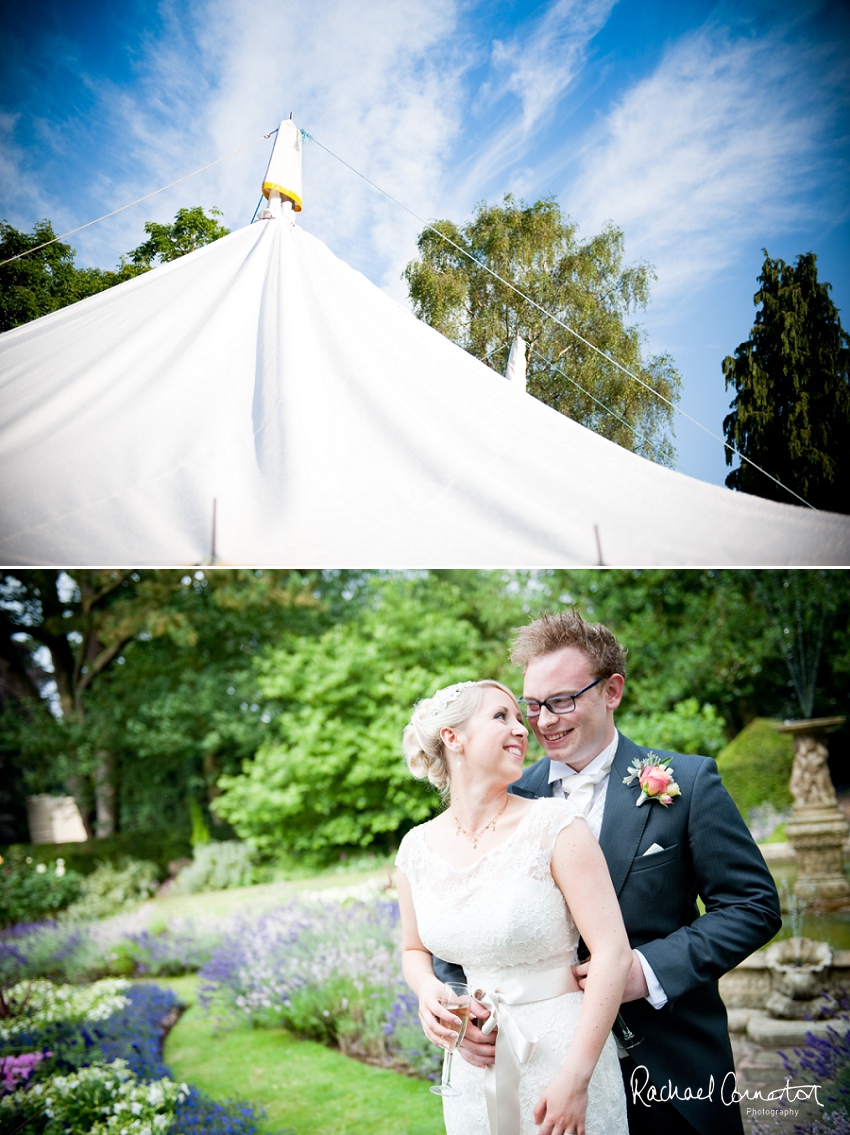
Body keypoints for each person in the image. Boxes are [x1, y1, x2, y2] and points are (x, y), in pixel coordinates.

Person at [446, 611, 782, 1135]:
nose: (543, 721)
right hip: (543, 1075)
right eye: (533, 705)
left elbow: (753, 905)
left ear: (612, 691)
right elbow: (461, 925)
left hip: (670, 1072)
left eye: (562, 700)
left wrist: (646, 971)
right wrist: (458, 1009)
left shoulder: (687, 783)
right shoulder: (508, 799)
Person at [396, 678, 632, 1135]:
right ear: (452, 738)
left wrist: (576, 1080)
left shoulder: (556, 825)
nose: (523, 729)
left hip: (564, 1057)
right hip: (473, 1065)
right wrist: (429, 994)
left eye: (519, 719)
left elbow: (612, 953)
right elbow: (413, 950)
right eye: (501, 716)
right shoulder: (415, 850)